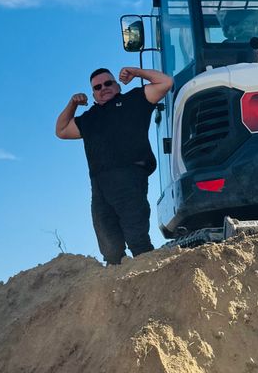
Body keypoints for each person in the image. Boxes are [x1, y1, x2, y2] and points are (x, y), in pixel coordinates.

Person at [55, 65, 173, 263]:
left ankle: (153, 276)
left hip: (129, 178)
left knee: (137, 240)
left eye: (108, 83)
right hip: (99, 186)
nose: (104, 88)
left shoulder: (134, 100)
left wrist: (136, 72)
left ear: (117, 85)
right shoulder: (89, 118)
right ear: (93, 93)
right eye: (97, 87)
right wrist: (73, 103)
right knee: (110, 249)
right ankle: (117, 280)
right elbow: (61, 130)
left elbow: (166, 82)